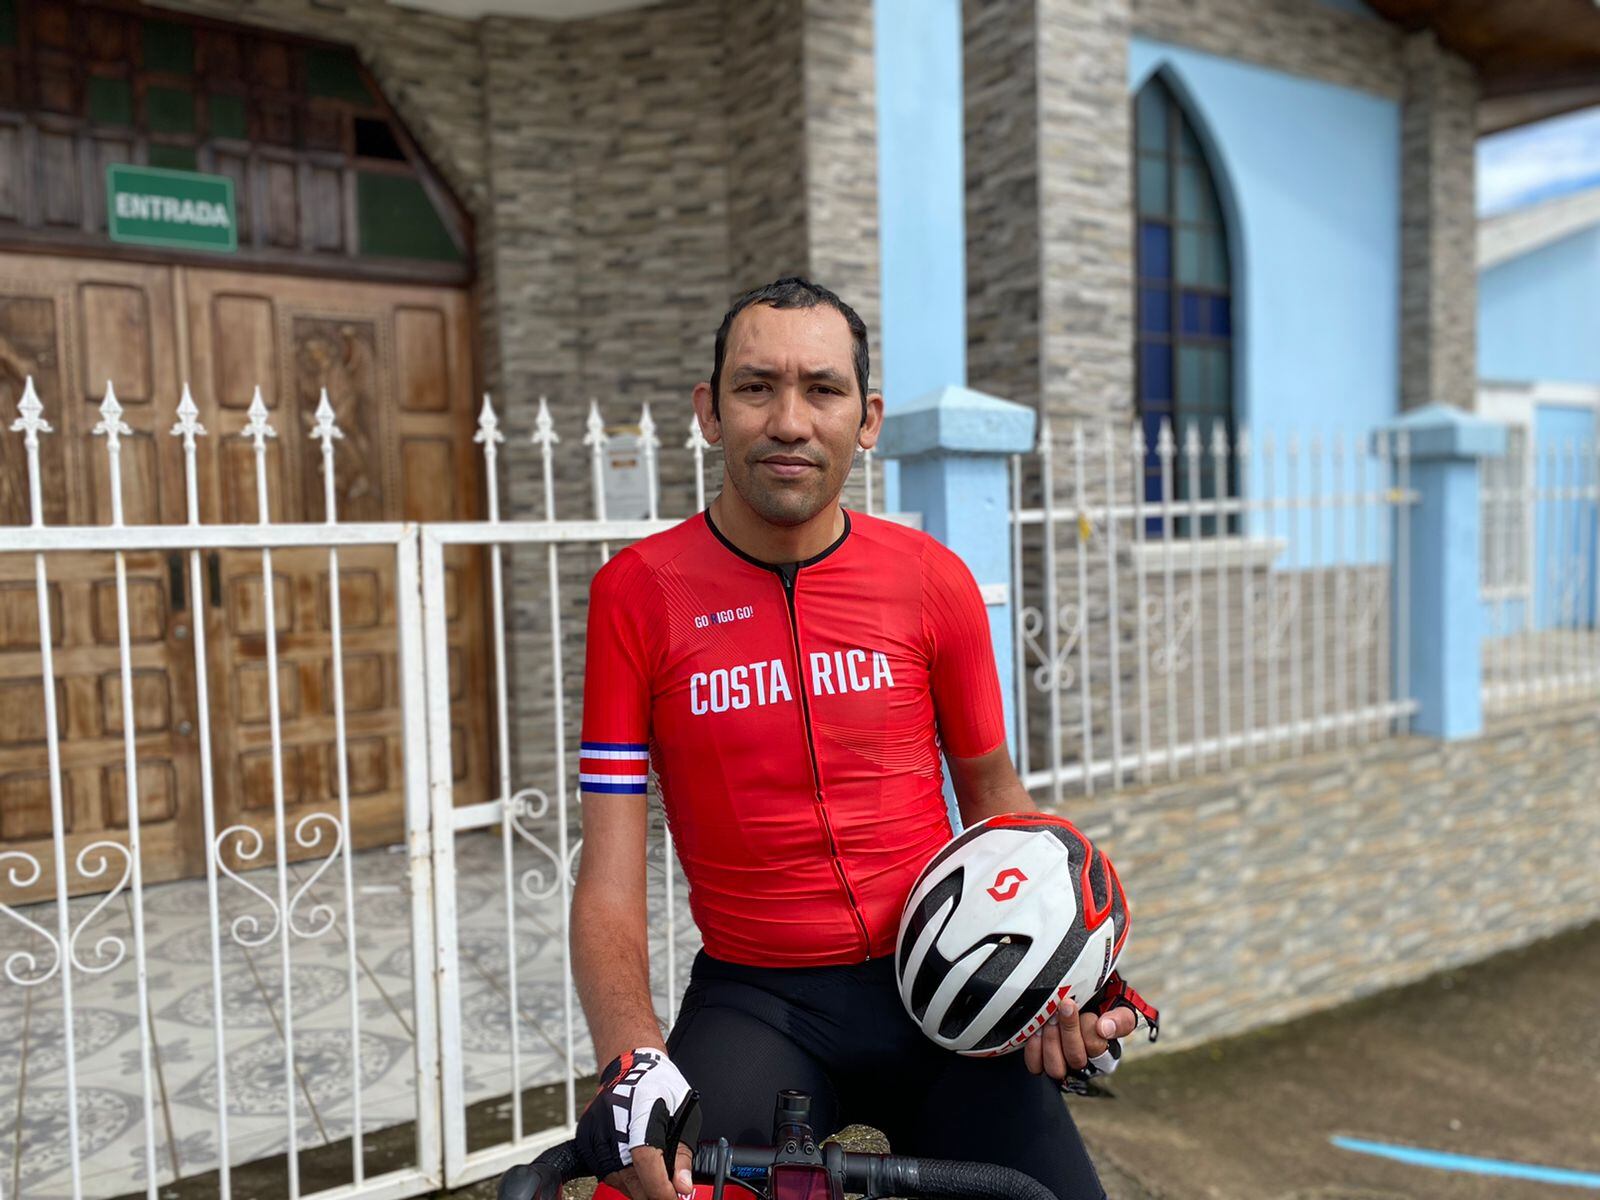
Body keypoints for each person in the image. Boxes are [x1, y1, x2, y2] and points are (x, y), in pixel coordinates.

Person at [570, 278, 1140, 1200]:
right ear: (709, 412)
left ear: (866, 419)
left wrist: (1065, 963)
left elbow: (998, 803)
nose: (790, 421)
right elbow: (608, 881)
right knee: (645, 1184)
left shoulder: (932, 579)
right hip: (757, 1001)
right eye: (756, 387)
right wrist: (631, 1061)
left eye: (823, 389)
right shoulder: (637, 594)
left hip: (943, 983)